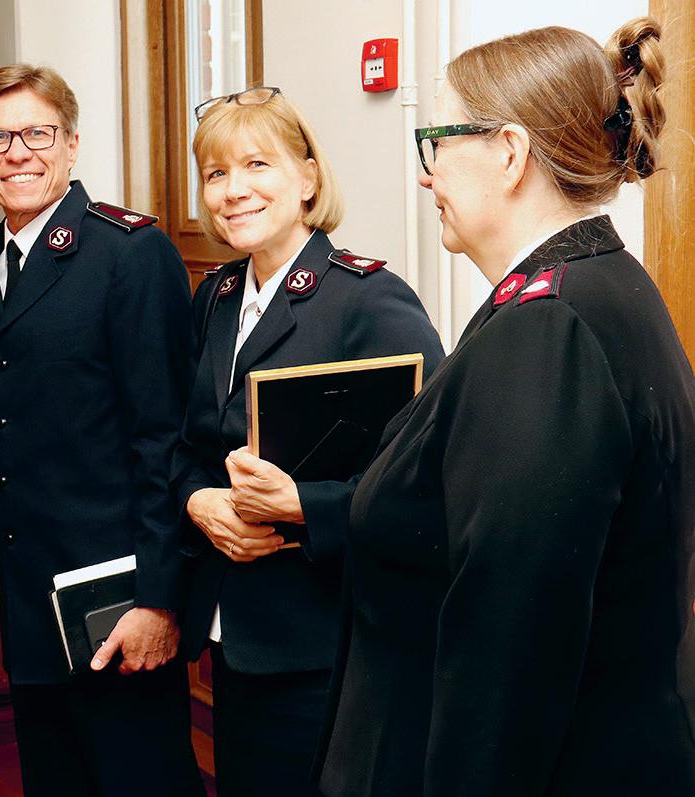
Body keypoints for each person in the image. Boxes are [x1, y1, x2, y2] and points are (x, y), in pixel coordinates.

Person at [312, 18, 695, 795]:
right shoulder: (605, 285)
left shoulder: (547, 331)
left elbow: (506, 658)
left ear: (510, 153)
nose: (426, 176)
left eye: (437, 142)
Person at [172, 89, 443, 796]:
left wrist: (301, 506)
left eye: (256, 165)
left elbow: (427, 484)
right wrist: (198, 500)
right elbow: (187, 444)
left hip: (328, 645)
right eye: (215, 173)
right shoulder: (215, 298)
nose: (233, 190)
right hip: (233, 637)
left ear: (308, 179)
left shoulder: (369, 300)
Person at [0, 63, 205, 796]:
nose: (18, 153)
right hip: (30, 601)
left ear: (71, 145)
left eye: (37, 134)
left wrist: (159, 598)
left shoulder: (128, 252)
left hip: (119, 602)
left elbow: (165, 438)